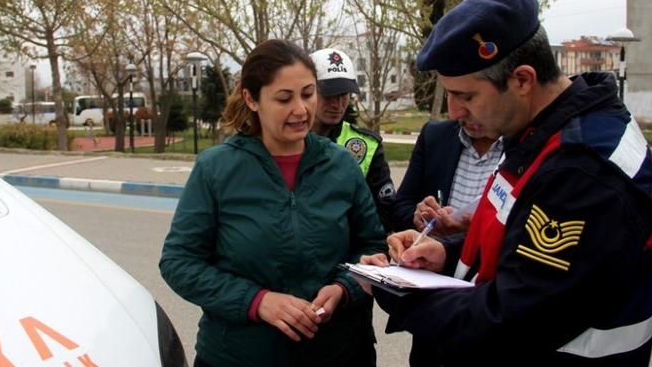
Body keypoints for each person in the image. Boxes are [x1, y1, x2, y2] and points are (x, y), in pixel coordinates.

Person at [363, 0, 652, 366]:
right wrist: (446, 254)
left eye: (467, 96)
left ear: (522, 80)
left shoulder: (582, 170)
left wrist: (396, 290)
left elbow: (514, 317)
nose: (455, 111)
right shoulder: (539, 133)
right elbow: (520, 246)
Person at [160, 39, 386, 367]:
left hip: (339, 352)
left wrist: (344, 288)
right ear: (252, 99)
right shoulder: (216, 168)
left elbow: (372, 244)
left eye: (308, 94)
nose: (301, 109)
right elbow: (179, 262)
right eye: (284, 98)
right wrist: (257, 302)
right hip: (237, 355)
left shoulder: (341, 165)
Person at [309, 48, 397, 232]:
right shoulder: (288, 139)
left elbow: (386, 213)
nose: (337, 104)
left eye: (343, 95)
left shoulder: (368, 145)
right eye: (328, 95)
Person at [390, 119, 502, 235]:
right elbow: (400, 208)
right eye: (451, 99)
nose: (456, 113)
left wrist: (473, 232)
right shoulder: (435, 135)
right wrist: (420, 217)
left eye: (469, 99)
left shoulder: (519, 150)